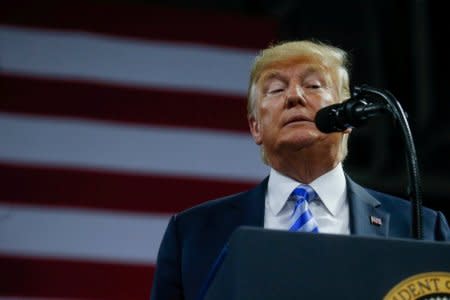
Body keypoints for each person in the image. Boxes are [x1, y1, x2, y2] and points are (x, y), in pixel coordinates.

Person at [150, 39, 449, 300]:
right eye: (276, 88)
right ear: (255, 127)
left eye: (314, 85)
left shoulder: (421, 228)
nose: (295, 96)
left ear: (346, 117)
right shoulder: (192, 235)